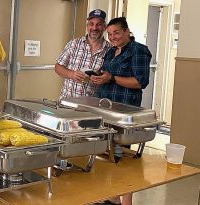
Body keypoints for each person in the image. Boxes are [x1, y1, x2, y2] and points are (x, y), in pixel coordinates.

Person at [91, 17, 152, 205]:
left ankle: (126, 201)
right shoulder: (110, 52)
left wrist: (111, 79)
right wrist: (98, 77)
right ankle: (111, 196)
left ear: (127, 31)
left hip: (125, 111)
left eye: (116, 32)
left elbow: (140, 82)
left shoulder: (139, 50)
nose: (112, 37)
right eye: (109, 34)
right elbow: (106, 74)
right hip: (106, 109)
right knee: (106, 156)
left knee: (123, 158)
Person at [55, 9, 111, 100]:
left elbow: (110, 77)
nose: (94, 28)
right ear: (87, 26)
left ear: (105, 27)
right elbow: (58, 67)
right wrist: (72, 74)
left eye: (99, 24)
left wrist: (105, 78)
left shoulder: (110, 49)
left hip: (92, 105)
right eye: (91, 24)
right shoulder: (74, 43)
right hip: (67, 102)